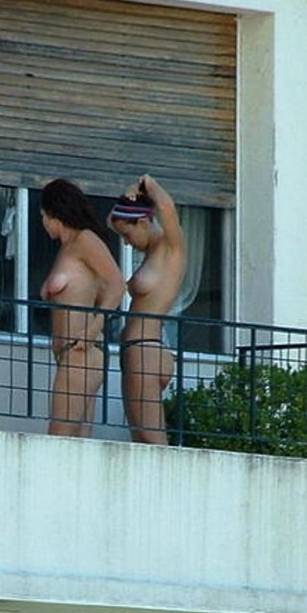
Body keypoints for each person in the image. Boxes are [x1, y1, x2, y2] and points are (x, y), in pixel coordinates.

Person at [39, 178, 126, 437]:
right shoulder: (67, 249)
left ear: (55, 214)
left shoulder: (85, 240)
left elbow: (117, 284)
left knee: (58, 438)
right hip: (71, 353)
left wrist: (93, 327)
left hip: (82, 351)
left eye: (43, 215)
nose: (43, 223)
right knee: (77, 442)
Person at [108, 174, 188, 444]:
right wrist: (128, 192)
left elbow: (166, 208)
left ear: (144, 222)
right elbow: (111, 219)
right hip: (137, 349)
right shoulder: (153, 255)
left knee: (152, 440)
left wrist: (146, 184)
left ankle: (169, 487)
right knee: (141, 440)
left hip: (146, 348)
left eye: (128, 235)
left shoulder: (171, 248)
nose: (127, 243)